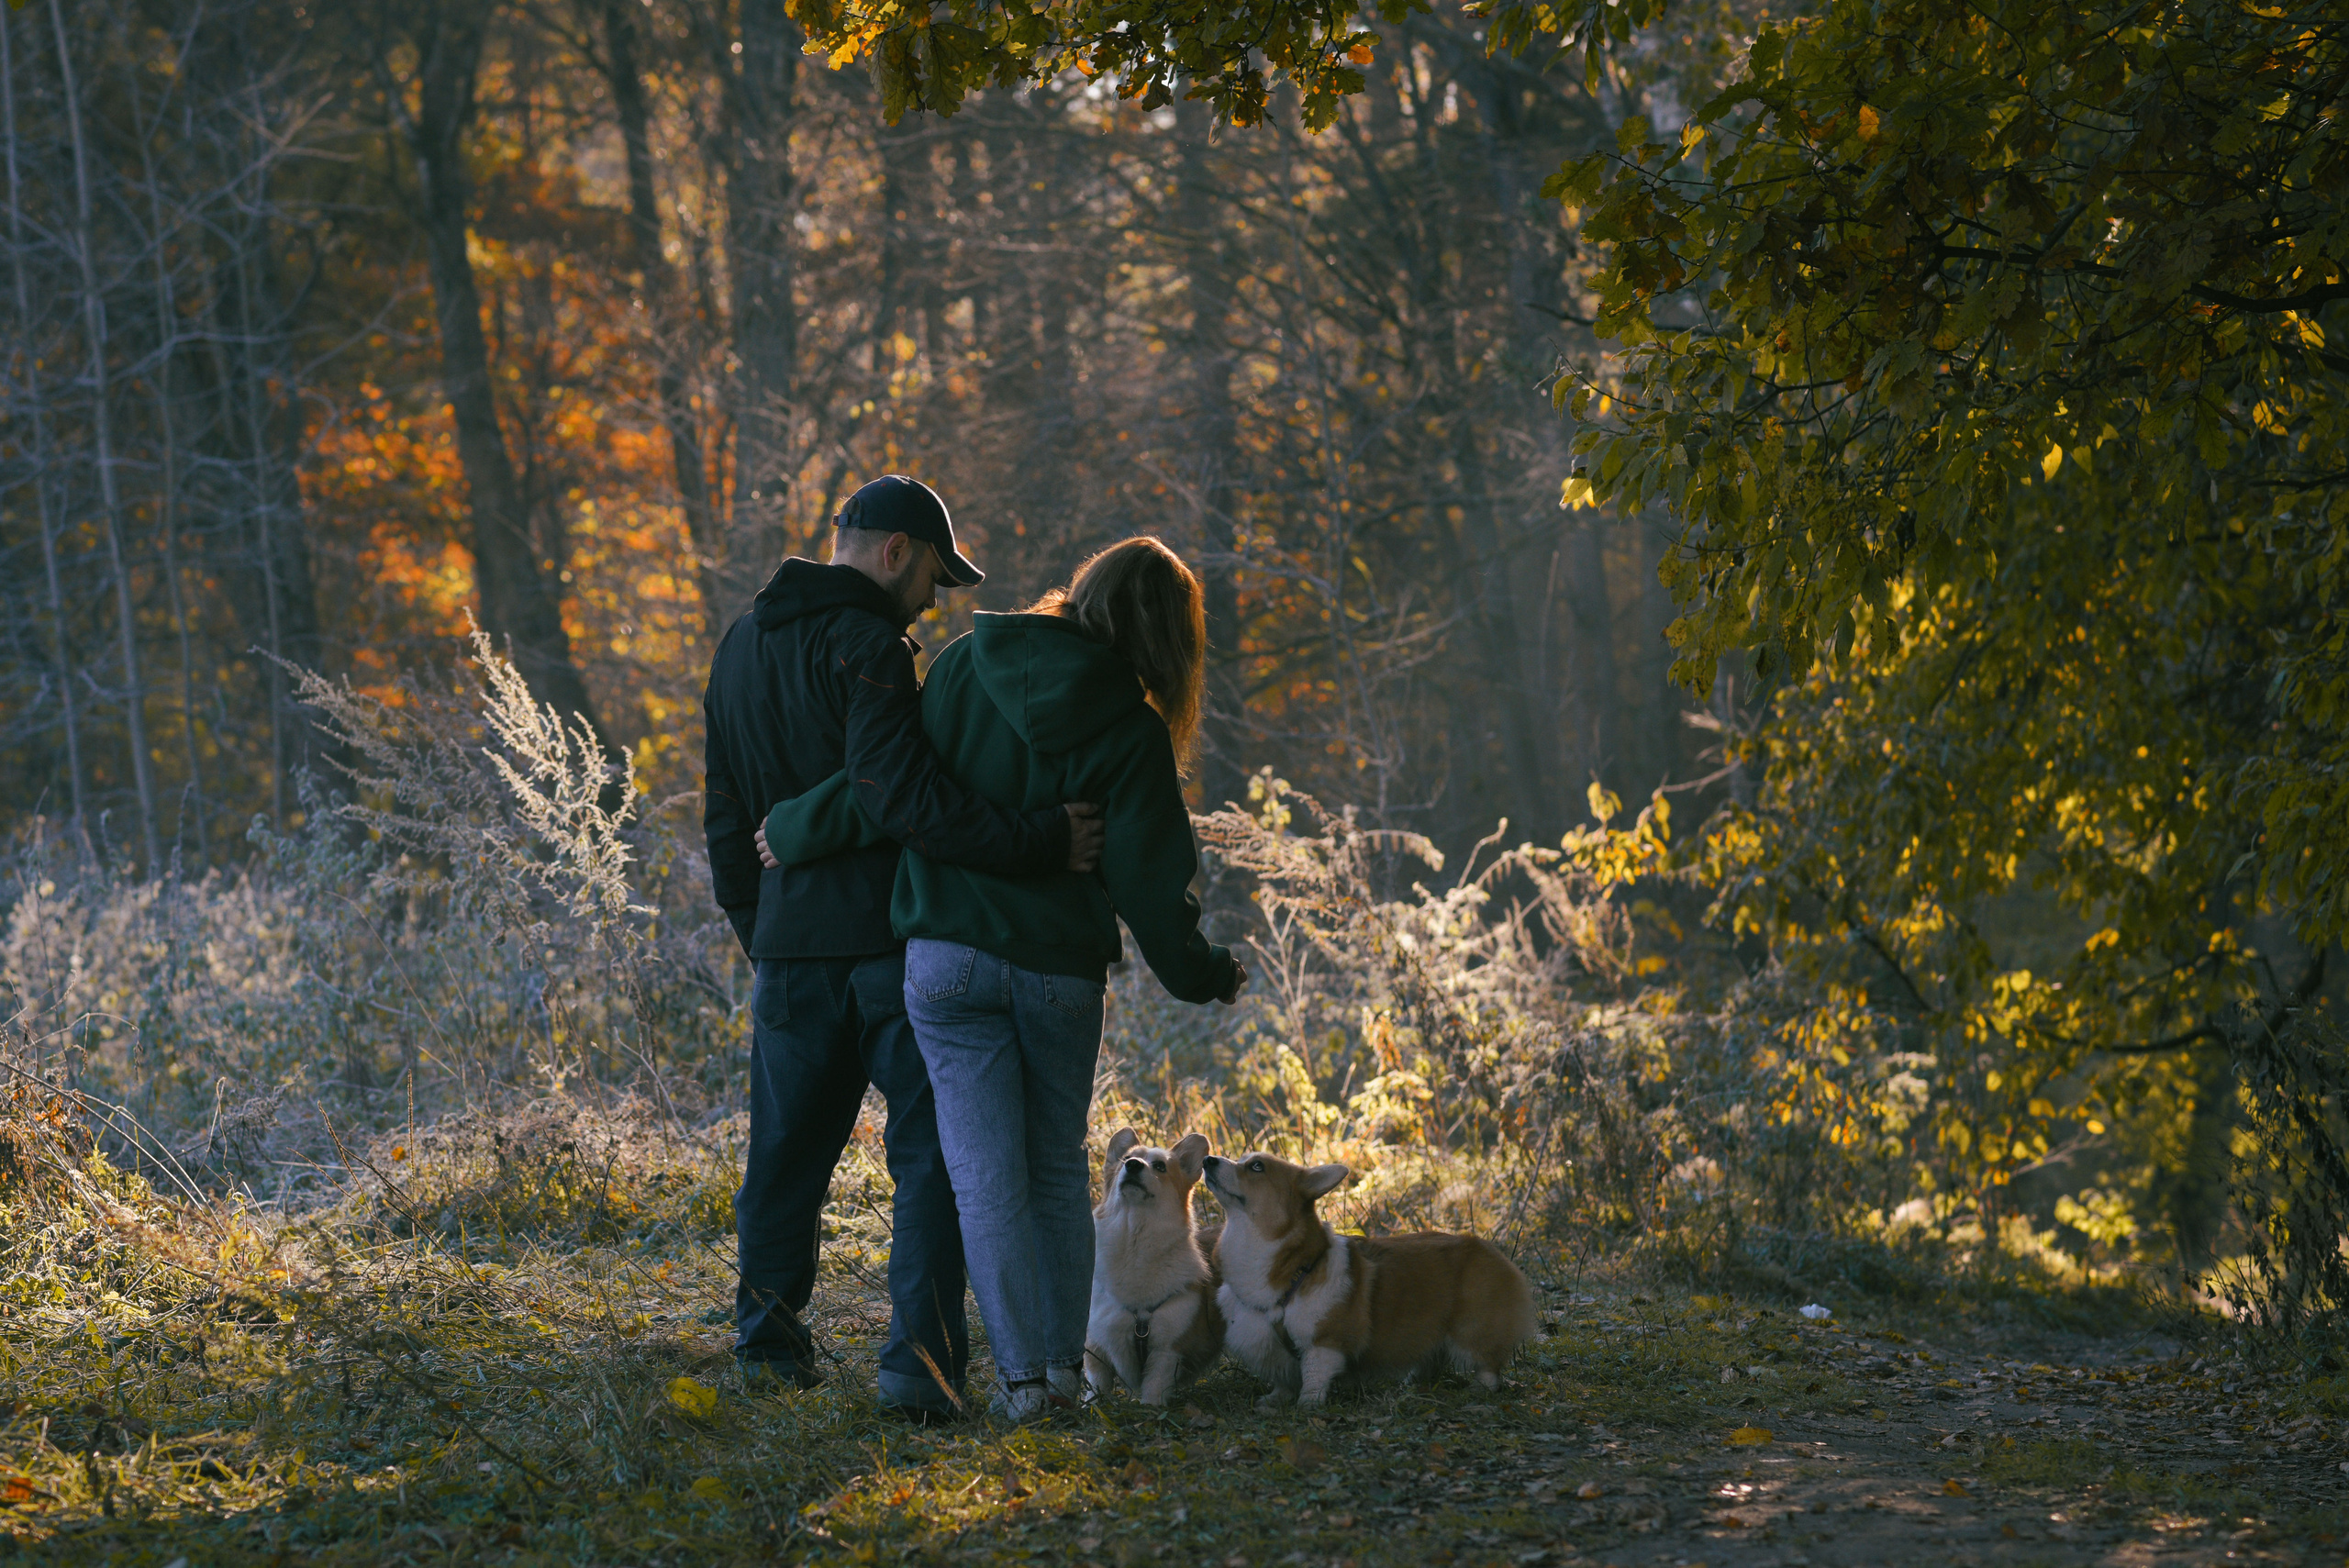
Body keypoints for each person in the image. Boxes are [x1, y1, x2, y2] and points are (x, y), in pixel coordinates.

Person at [761, 535, 1248, 1421]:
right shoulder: (1133, 728)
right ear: (1168, 638)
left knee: (985, 1182)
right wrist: (1205, 971)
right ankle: (1065, 1374)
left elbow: (887, 781)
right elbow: (1147, 882)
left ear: (1086, 590)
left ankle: (1023, 1386)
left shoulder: (960, 669)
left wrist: (793, 827)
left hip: (945, 965)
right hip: (1058, 973)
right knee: (1057, 1172)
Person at [702, 474, 1106, 1420]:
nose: (934, 598)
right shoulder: (871, 645)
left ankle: (765, 1347)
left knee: (782, 1158)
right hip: (889, 944)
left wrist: (761, 936)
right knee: (928, 1157)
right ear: (894, 552)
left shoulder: (737, 646)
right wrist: (1043, 839)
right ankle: (916, 1367)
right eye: (932, 574)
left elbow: (725, 819)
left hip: (790, 954)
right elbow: (904, 798)